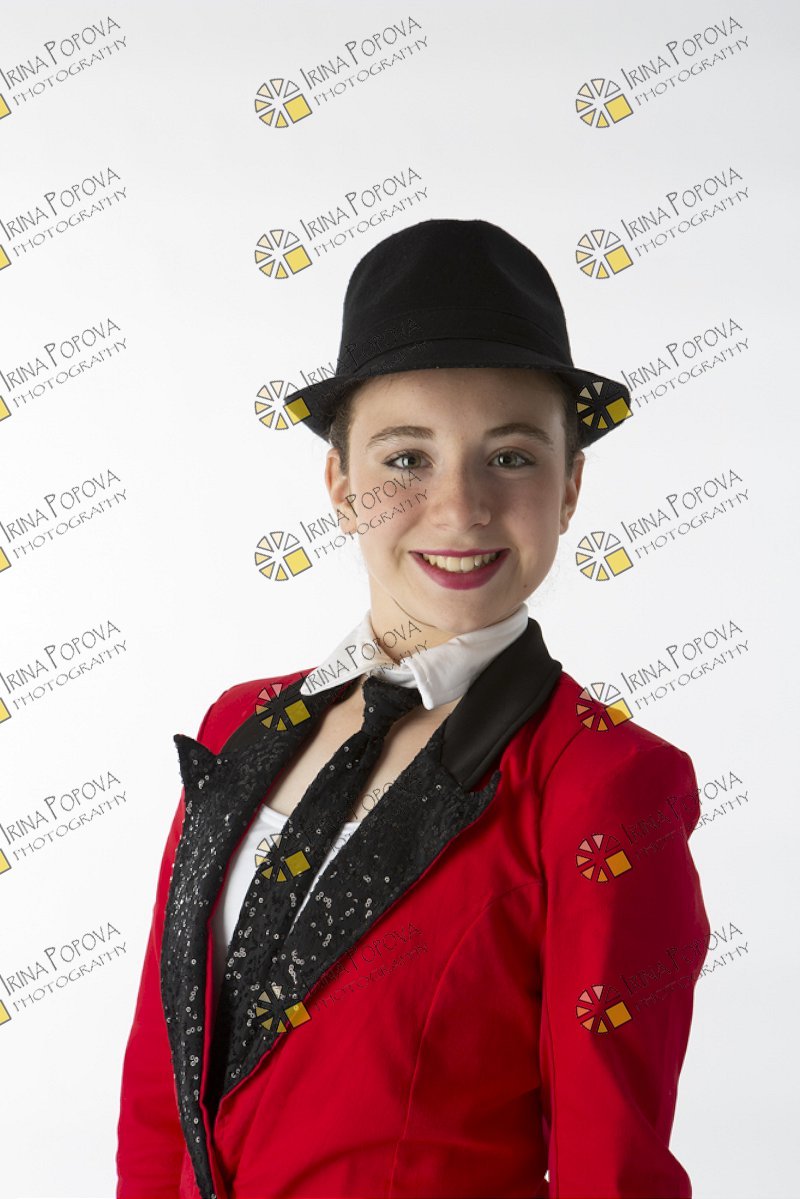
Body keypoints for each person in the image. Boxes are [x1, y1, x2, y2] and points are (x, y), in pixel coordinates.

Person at [115, 218, 711, 1199]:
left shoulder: (603, 782)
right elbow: (159, 1084)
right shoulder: (241, 723)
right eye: (404, 459)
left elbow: (612, 1169)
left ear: (570, 486)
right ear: (340, 485)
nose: (460, 507)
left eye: (510, 457)